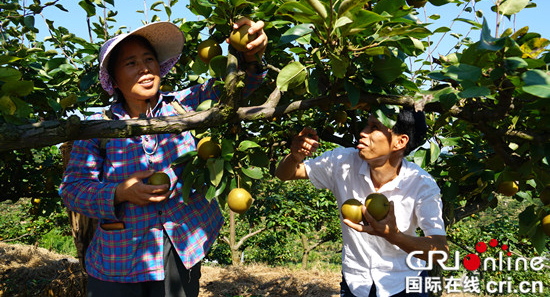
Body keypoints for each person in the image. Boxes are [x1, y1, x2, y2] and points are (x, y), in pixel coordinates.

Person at [59, 18, 268, 296]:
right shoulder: (98, 125)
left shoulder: (184, 105)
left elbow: (235, 88)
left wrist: (250, 57)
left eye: (149, 59)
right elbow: (72, 191)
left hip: (179, 250)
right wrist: (119, 192)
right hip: (117, 260)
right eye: (131, 63)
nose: (145, 67)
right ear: (114, 79)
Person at [275, 109, 448, 297]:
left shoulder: (421, 184)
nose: (363, 132)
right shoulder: (342, 162)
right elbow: (286, 174)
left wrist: (394, 236)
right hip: (356, 281)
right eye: (366, 124)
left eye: (374, 127)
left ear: (400, 141)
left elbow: (439, 251)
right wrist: (294, 157)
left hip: (404, 283)